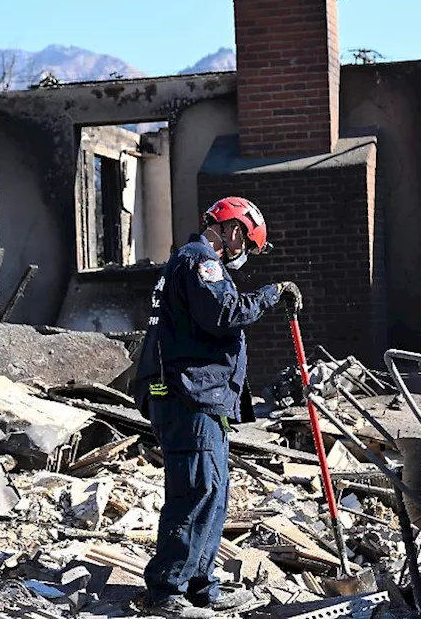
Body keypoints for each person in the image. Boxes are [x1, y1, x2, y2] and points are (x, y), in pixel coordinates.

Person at [133, 196, 301, 618]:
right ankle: (166, 591)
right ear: (235, 231)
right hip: (188, 397)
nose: (246, 254)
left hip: (201, 398)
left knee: (213, 491)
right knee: (196, 491)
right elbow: (225, 313)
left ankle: (200, 585)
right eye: (249, 244)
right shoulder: (198, 261)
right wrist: (271, 293)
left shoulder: (193, 264)